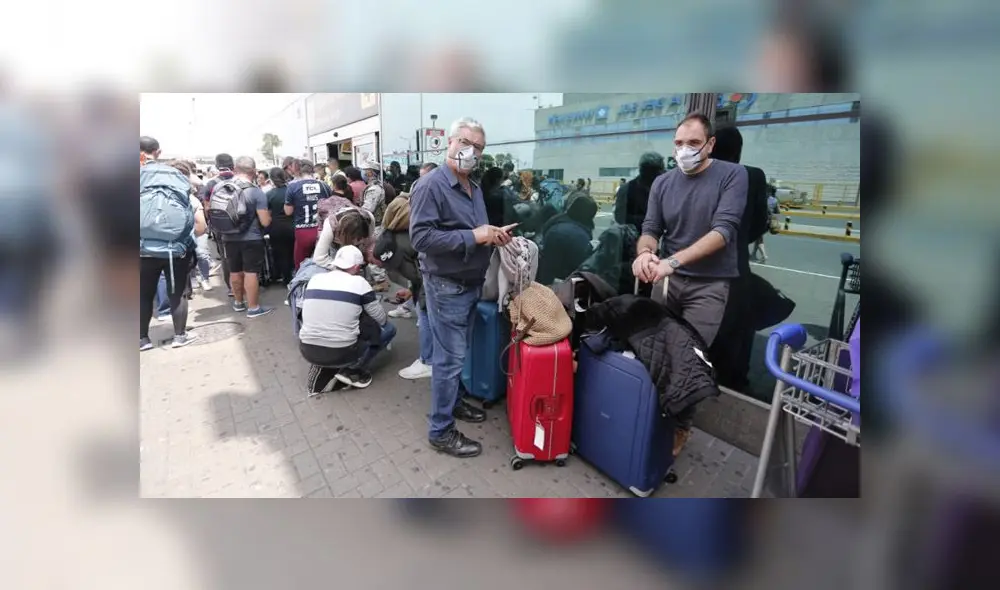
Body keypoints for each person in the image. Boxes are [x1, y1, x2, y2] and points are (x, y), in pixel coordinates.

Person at [632, 113, 747, 457]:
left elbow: (723, 231)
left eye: (694, 143)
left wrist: (671, 262)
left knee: (688, 360)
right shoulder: (663, 183)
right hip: (667, 281)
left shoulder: (732, 176)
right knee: (653, 349)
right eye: (679, 143)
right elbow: (650, 228)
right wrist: (645, 254)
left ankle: (681, 424)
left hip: (708, 287)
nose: (685, 150)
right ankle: (648, 416)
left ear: (710, 144)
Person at [410, 117, 516, 458]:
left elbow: (475, 229)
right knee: (449, 360)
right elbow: (421, 238)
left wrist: (492, 234)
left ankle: (454, 404)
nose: (471, 152)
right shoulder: (430, 186)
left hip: (470, 284)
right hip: (446, 287)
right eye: (465, 143)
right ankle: (440, 430)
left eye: (479, 148)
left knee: (457, 354)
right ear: (450, 143)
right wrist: (475, 236)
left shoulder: (473, 186)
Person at [708, 124, 771, 393]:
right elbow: (759, 223)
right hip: (734, 266)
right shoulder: (753, 177)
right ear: (738, 151)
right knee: (738, 326)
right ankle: (733, 380)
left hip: (698, 267)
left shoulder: (694, 176)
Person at [298, 245, 397, 391]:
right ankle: (354, 370)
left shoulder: (315, 279)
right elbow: (380, 318)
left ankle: (330, 365)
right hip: (340, 352)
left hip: (306, 349)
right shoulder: (359, 283)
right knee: (389, 329)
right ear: (357, 267)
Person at [139, 138, 206, 350]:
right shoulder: (174, 174)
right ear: (158, 151)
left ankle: (142, 339)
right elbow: (188, 210)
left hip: (142, 248)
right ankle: (179, 337)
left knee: (143, 294)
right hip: (175, 248)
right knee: (177, 293)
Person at [215, 156, 274, 317]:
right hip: (251, 238)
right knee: (250, 272)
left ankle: (239, 302)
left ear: (235, 169)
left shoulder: (221, 187)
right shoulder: (255, 192)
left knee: (234, 270)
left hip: (227, 236)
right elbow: (265, 221)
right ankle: (254, 308)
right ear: (254, 171)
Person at [536, 193, 598, 285]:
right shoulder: (579, 235)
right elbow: (583, 266)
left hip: (545, 280)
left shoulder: (556, 223)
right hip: (567, 284)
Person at [198, 153, 237, 297]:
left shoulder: (211, 184)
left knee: (226, 257)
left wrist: (213, 224)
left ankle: (232, 288)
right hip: (242, 224)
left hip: (221, 227)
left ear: (216, 165)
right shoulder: (239, 180)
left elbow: (207, 208)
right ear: (233, 165)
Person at [285, 158, 332, 270]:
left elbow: (288, 211)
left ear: (297, 170)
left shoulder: (292, 187)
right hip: (323, 229)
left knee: (301, 266)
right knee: (323, 263)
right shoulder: (324, 185)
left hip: (303, 229)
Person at [359, 158, 391, 291]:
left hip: (375, 226)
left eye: (365, 170)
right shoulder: (375, 187)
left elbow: (368, 209)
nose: (362, 173)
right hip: (375, 225)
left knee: (372, 253)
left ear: (370, 173)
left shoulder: (374, 190)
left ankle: (381, 281)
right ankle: (378, 279)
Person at [614, 152, 666, 234]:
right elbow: (620, 217)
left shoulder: (664, 188)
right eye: (659, 171)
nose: (662, 174)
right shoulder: (627, 189)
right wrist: (652, 220)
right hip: (633, 238)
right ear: (645, 171)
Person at [265, 167, 295, 285]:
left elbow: (268, 214)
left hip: (276, 228)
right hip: (292, 225)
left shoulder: (269, 194)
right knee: (293, 252)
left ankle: (286, 278)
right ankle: (295, 275)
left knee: (280, 254)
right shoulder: (292, 190)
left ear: (271, 179)